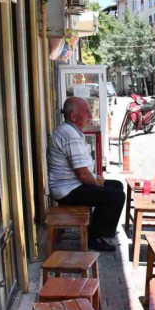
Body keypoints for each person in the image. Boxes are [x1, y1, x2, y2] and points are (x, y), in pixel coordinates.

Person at [48, 97, 126, 252]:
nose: (90, 115)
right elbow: (83, 175)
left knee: (117, 186)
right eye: (87, 112)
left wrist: (98, 179)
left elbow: (84, 171)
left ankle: (97, 229)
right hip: (67, 190)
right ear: (73, 116)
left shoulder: (72, 131)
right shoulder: (69, 135)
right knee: (115, 196)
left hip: (73, 184)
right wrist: (98, 184)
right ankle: (96, 237)